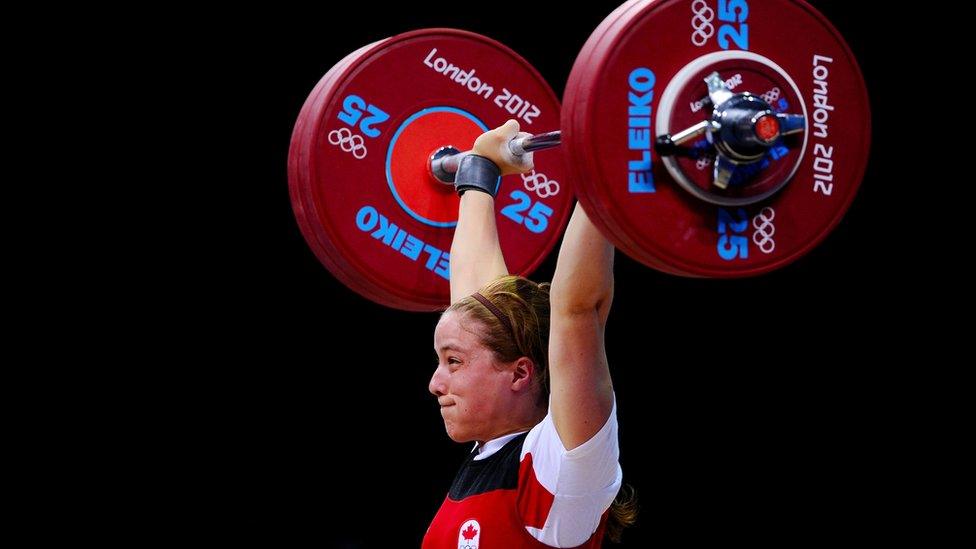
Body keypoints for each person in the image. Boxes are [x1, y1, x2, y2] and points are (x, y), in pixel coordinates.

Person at [424, 120, 636, 548]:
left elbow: (577, 310)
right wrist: (478, 175)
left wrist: (607, 159)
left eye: (453, 362)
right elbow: (476, 306)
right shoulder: (493, 454)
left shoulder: (561, 473)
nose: (434, 383)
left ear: (521, 373)